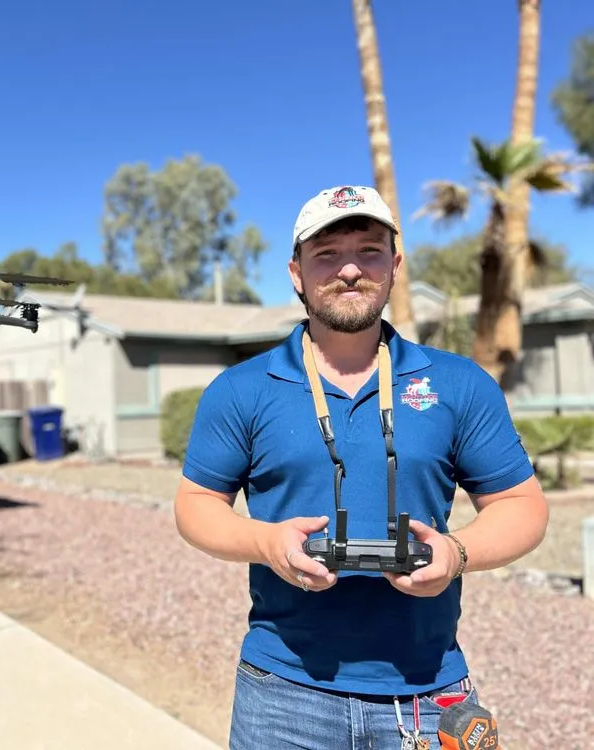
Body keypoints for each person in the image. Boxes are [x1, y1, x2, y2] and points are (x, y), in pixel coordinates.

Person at [173, 185, 549, 749]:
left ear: (394, 265)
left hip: (426, 690)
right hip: (282, 692)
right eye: (325, 254)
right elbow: (195, 505)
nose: (349, 269)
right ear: (296, 272)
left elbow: (522, 506)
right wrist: (267, 543)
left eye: (369, 250)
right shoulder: (241, 390)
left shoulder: (458, 384)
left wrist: (455, 553)